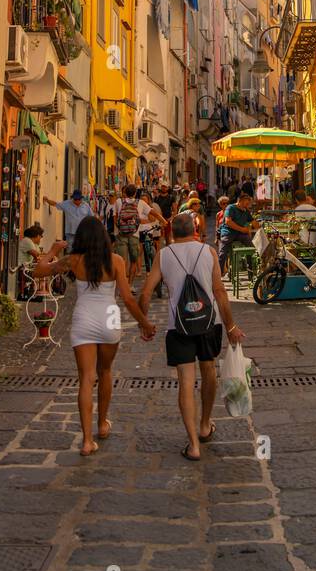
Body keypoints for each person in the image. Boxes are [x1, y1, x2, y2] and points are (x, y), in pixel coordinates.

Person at [32, 217, 155, 455]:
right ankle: (102, 424)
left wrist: (53, 250)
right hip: (109, 316)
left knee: (86, 379)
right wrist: (145, 323)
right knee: (106, 371)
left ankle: (87, 441)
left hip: (84, 318)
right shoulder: (116, 261)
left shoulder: (74, 260)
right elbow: (128, 299)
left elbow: (39, 272)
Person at [138, 212, 245, 461]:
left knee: (186, 381)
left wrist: (144, 323)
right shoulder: (207, 252)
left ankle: (193, 445)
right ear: (195, 230)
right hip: (210, 322)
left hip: (179, 326)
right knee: (208, 371)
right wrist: (231, 327)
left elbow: (145, 294)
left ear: (172, 233)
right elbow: (219, 292)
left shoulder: (164, 255)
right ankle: (205, 424)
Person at [218, 190, 257, 275]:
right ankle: (218, 274)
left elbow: (254, 222)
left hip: (239, 234)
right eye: (246, 204)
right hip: (228, 232)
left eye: (248, 204)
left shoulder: (246, 210)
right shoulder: (230, 208)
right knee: (222, 253)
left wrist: (260, 226)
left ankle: (251, 271)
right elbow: (228, 222)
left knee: (251, 249)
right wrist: (242, 229)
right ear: (239, 202)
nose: (247, 206)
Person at [113, 189, 141, 283]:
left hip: (121, 234)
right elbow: (152, 212)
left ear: (124, 193)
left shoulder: (118, 201)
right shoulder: (139, 202)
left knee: (122, 261)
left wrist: (119, 227)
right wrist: (163, 221)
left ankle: (122, 284)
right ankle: (130, 285)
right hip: (134, 235)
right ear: (135, 193)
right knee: (133, 261)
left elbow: (115, 216)